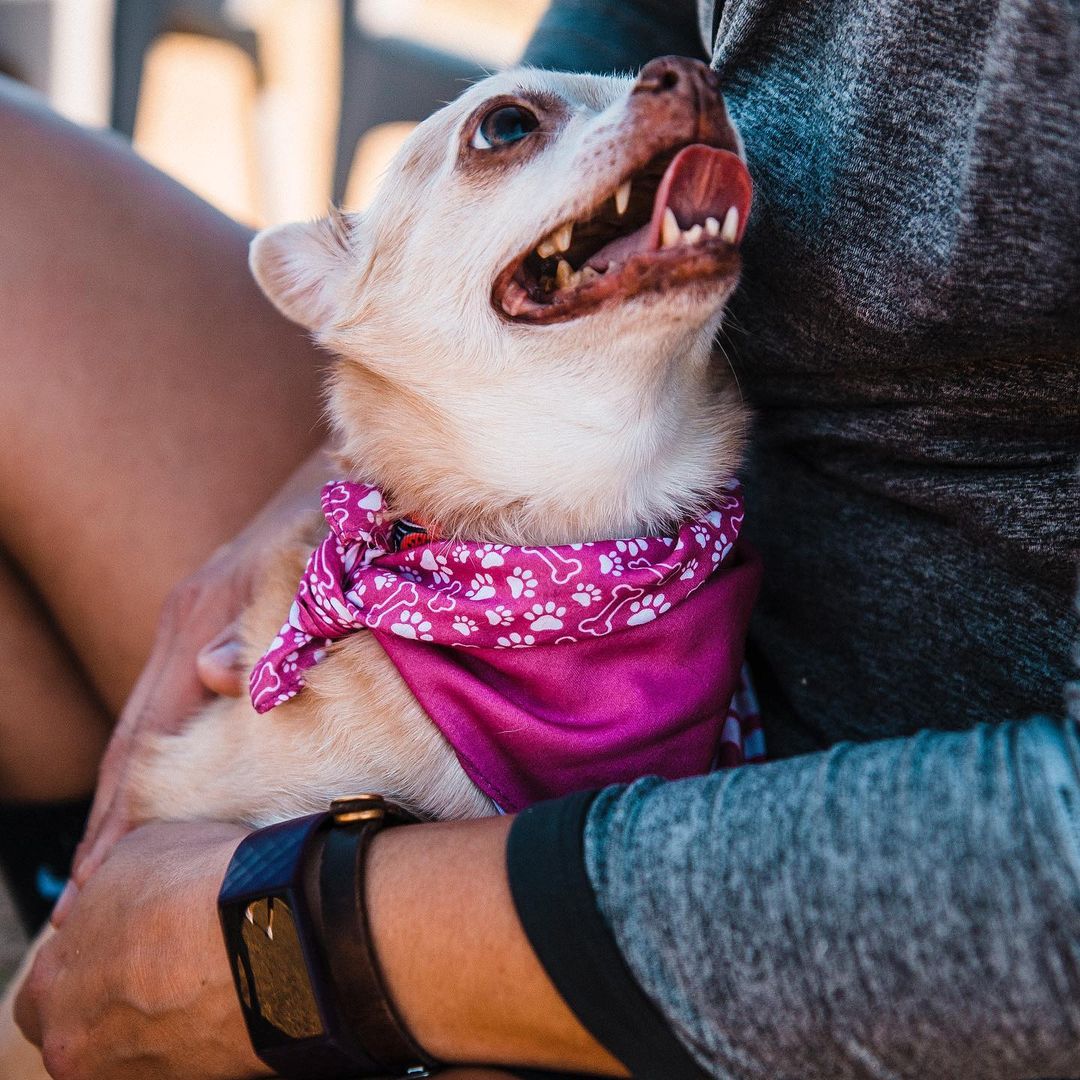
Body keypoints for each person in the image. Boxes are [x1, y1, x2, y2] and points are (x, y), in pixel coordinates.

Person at [7, 0, 1079, 1076]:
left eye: (503, 132)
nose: (684, 94)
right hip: (584, 514)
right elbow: (642, 21)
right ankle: (81, 922)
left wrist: (304, 945)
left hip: (866, 859)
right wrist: (335, 466)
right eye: (511, 131)